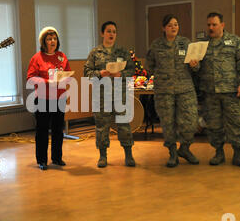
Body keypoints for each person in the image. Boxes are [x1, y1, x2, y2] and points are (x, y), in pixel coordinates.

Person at [192, 12, 240, 168]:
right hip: (209, 91)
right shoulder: (202, 44)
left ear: (222, 25)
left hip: (230, 91)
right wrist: (194, 65)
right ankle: (218, 153)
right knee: (213, 124)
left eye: (214, 24)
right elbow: (197, 69)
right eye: (208, 25)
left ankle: (238, 155)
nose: (210, 28)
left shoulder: (235, 42)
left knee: (235, 123)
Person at [145, 14, 199, 167]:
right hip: (164, 91)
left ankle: (185, 148)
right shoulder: (156, 45)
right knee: (168, 124)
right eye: (170, 25)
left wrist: (195, 65)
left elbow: (196, 68)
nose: (174, 27)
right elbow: (149, 66)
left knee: (190, 122)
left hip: (185, 89)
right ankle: (172, 153)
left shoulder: (185, 43)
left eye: (176, 24)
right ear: (163, 28)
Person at [84, 21, 136, 168]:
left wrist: (121, 74)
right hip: (101, 95)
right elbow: (87, 73)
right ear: (102, 33)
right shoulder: (95, 53)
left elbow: (132, 70)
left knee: (124, 124)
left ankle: (128, 155)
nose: (111, 34)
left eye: (114, 31)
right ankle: (102, 156)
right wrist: (100, 73)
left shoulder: (123, 52)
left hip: (120, 94)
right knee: (102, 126)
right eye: (108, 31)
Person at [27, 27, 71, 170]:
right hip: (43, 99)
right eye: (49, 38)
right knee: (42, 131)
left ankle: (57, 158)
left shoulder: (62, 56)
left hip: (59, 98)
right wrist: (47, 82)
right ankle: (42, 160)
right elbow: (31, 78)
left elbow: (68, 74)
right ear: (43, 41)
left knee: (58, 130)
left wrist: (65, 80)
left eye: (54, 38)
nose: (52, 41)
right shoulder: (37, 57)